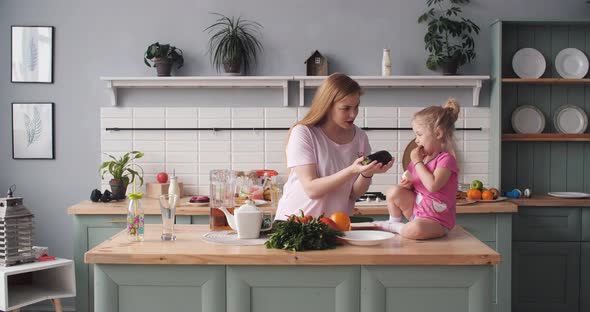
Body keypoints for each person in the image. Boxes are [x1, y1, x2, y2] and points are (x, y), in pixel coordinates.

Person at [275, 73, 394, 220]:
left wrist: (367, 172)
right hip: (296, 223)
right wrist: (352, 170)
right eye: (346, 108)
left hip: (336, 224)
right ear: (328, 106)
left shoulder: (360, 137)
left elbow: (353, 194)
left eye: (356, 107)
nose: (353, 114)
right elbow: (311, 189)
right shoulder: (304, 133)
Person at [376, 99, 460, 240]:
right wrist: (407, 185)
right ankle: (394, 223)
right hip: (417, 212)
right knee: (393, 191)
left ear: (438, 133)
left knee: (416, 229)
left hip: (437, 221)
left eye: (419, 134)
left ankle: (393, 227)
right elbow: (411, 183)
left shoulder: (446, 160)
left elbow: (432, 186)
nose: (416, 140)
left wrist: (417, 162)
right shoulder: (422, 160)